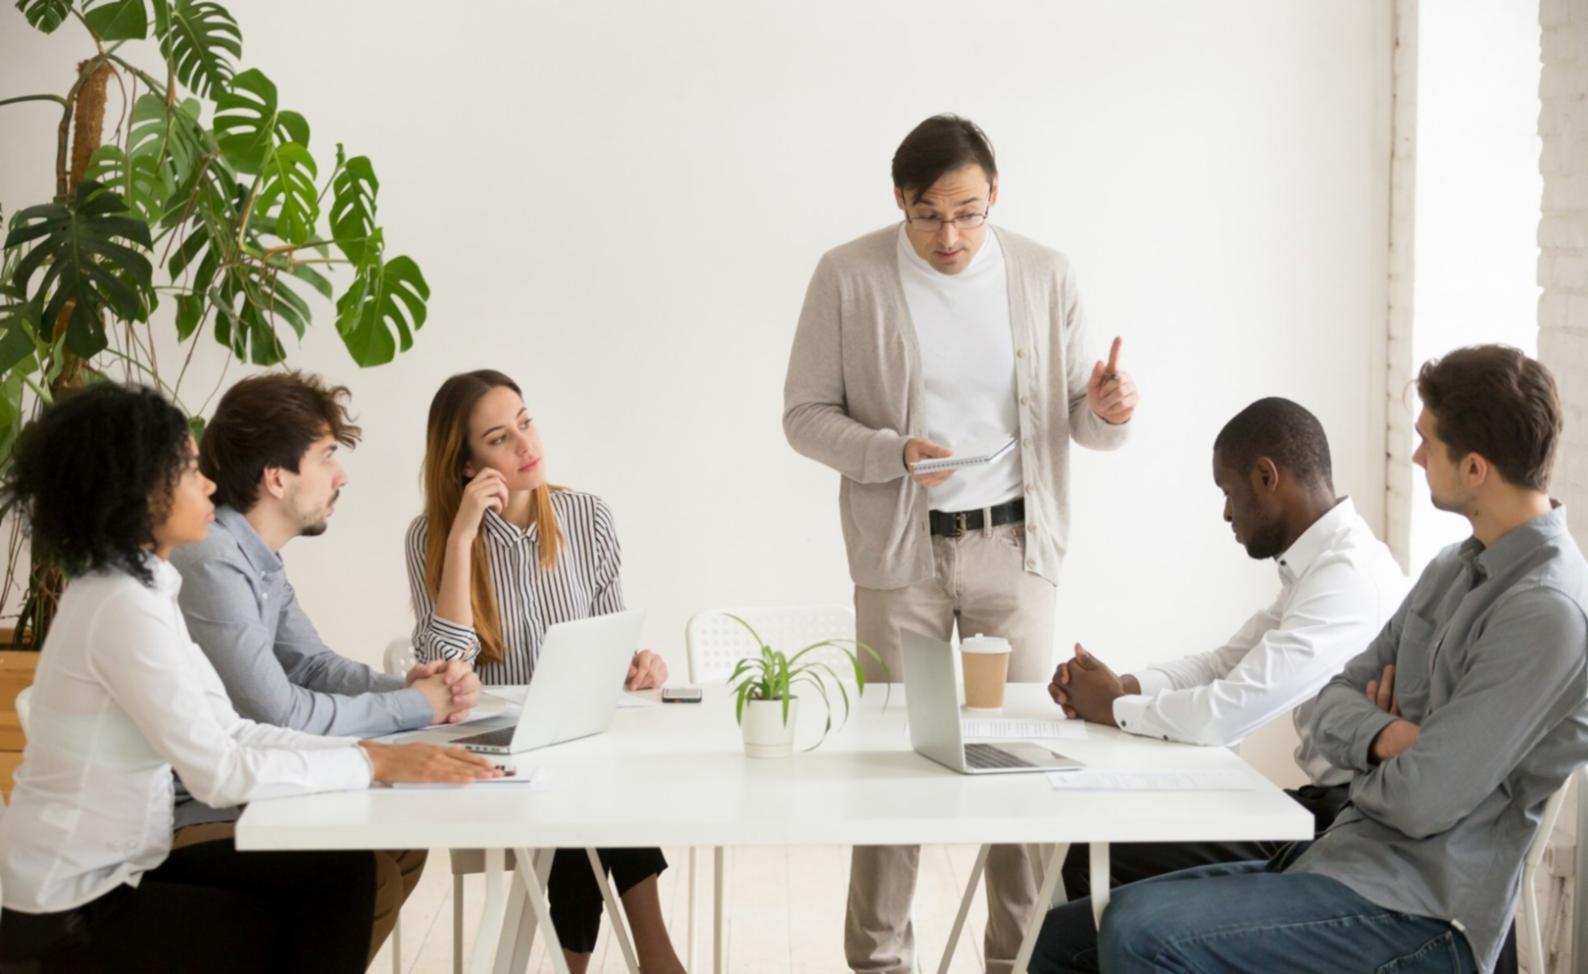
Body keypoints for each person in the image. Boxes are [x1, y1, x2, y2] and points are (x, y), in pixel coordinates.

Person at [1031, 345, 1588, 974]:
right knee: (1068, 936)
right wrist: (1388, 737)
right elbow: (1330, 700)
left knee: (1138, 933)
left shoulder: (1548, 612)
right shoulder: (1450, 568)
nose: (1416, 456)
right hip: (1348, 857)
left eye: (1427, 442)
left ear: (1478, 468)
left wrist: (1371, 753)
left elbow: (1424, 799)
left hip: (1423, 909)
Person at [782, 113, 1137, 974]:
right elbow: (803, 416)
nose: (952, 236)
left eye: (971, 213)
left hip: (1016, 551)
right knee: (892, 760)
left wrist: (1109, 410)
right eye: (931, 214)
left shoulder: (1045, 275)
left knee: (1026, 761)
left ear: (995, 197)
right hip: (900, 552)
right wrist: (890, 454)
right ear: (900, 200)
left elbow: (1080, 422)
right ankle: (879, 961)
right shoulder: (848, 275)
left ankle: (1018, 961)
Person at [0, 383, 500, 974]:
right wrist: (373, 762)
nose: (210, 483)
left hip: (120, 875)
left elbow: (233, 730)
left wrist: (368, 752)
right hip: (68, 914)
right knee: (313, 902)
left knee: (339, 875)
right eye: (189, 470)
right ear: (143, 491)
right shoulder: (120, 606)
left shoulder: (145, 589)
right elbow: (219, 771)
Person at [167, 370, 479, 961]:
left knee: (404, 847)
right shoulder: (212, 560)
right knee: (364, 873)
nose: (341, 476)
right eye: (327, 456)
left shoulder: (256, 558)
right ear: (277, 478)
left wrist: (411, 685)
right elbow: (278, 708)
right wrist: (416, 707)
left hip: (244, 782)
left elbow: (310, 664)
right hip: (193, 808)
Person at [1049, 397, 1405, 897]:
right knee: (1103, 837)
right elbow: (1222, 666)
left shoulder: (1347, 579)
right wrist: (1119, 686)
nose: (1225, 512)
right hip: (1325, 806)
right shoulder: (1321, 564)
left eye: (1228, 491)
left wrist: (1113, 706)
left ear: (1266, 477)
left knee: (1098, 851)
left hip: (1350, 826)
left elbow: (1229, 712)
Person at [404, 369, 682, 974]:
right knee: (584, 795)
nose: (528, 446)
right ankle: (658, 958)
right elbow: (447, 666)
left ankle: (596, 965)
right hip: (495, 755)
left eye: (525, 423)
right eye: (500, 438)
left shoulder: (586, 516)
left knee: (590, 787)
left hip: (582, 738)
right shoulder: (432, 536)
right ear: (465, 463)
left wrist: (640, 663)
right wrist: (462, 538)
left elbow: (611, 640)